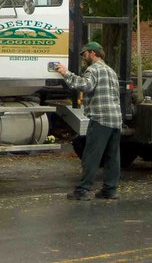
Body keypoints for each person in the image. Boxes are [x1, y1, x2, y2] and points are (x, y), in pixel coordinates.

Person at [55, 40, 122, 201]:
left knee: (91, 155)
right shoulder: (110, 70)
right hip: (115, 119)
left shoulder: (93, 70)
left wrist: (66, 73)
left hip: (100, 118)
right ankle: (110, 189)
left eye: (85, 54)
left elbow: (86, 86)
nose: (84, 57)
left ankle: (83, 190)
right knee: (112, 156)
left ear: (93, 53)